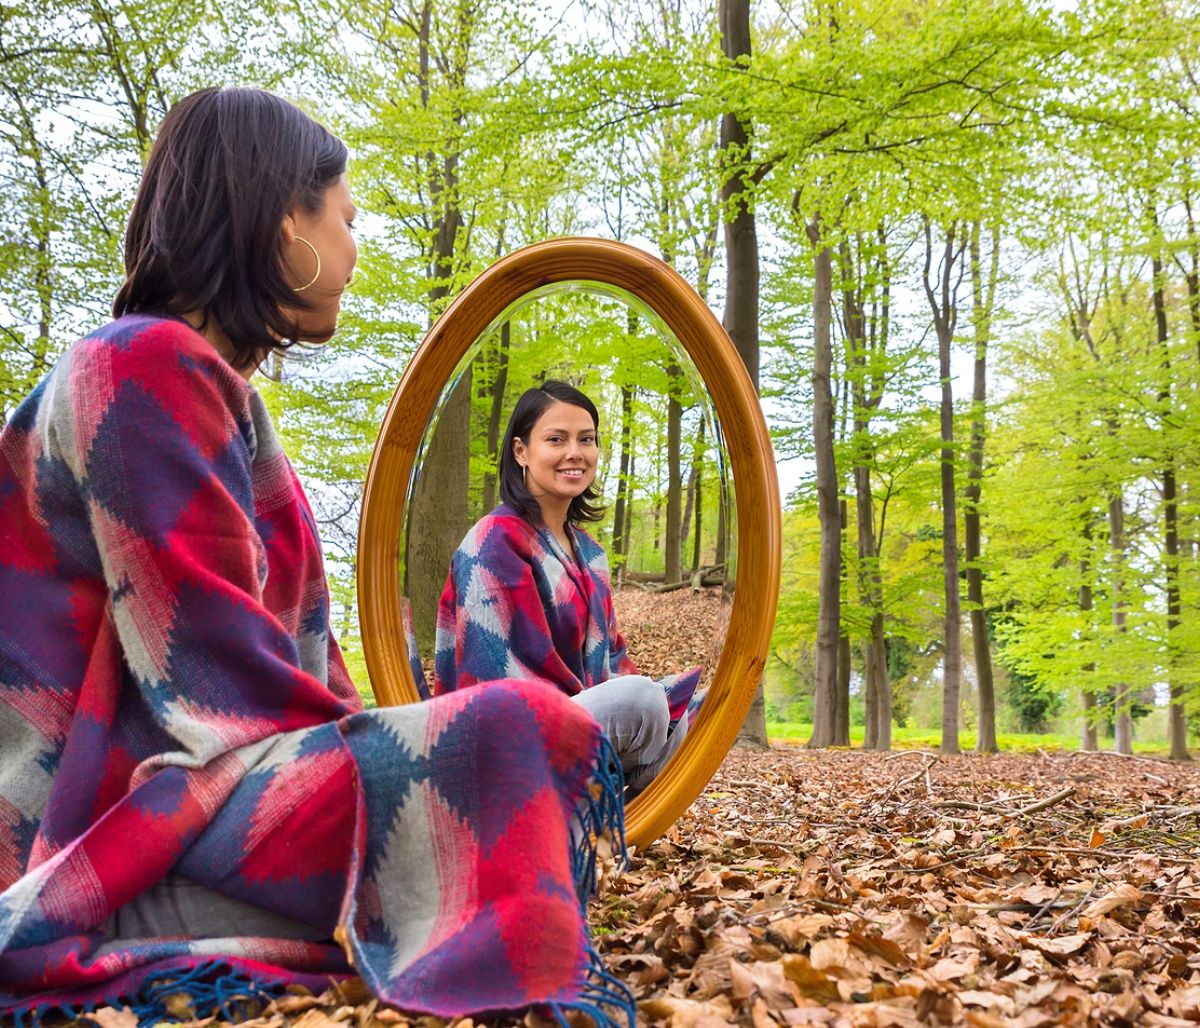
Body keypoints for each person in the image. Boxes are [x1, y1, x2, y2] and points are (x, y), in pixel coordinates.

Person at [0, 88, 630, 1027]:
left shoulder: (210, 392)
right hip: (110, 814)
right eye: (344, 217)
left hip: (216, 781)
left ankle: (357, 895)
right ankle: (142, 915)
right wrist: (440, 737)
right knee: (519, 729)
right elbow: (220, 700)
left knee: (601, 715)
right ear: (279, 220)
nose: (353, 247)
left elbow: (297, 684)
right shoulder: (137, 370)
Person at [432, 381, 703, 795]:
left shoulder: (591, 555)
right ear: (521, 451)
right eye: (556, 439)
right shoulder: (494, 541)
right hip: (510, 737)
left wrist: (664, 697)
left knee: (701, 708)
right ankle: (595, 800)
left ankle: (616, 809)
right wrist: (637, 700)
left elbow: (613, 657)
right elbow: (493, 678)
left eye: (586, 439)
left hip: (582, 723)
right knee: (641, 703)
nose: (575, 453)